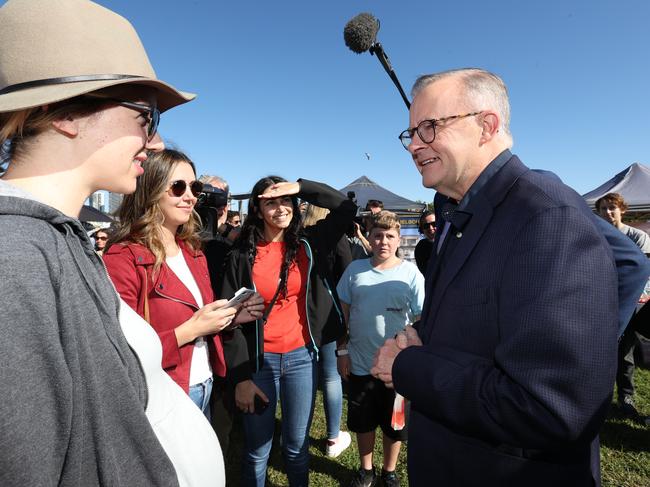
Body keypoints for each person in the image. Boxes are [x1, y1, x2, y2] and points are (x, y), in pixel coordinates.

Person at [0, 0, 225, 485]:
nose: (157, 142)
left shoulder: (56, 241)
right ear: (68, 116)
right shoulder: (14, 257)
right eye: (146, 117)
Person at [372, 68, 619, 486]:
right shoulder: (465, 212)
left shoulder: (545, 216)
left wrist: (411, 366)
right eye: (411, 132)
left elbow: (551, 407)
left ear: (487, 125)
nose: (414, 144)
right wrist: (424, 333)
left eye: (430, 127)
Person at [103, 149, 263, 419]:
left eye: (194, 187)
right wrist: (188, 331)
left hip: (205, 382)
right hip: (163, 391)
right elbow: (117, 351)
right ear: (150, 191)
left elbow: (201, 320)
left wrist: (231, 317)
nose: (190, 196)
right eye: (178, 187)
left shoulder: (193, 251)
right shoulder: (122, 257)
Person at [220, 176, 356, 486]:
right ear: (257, 209)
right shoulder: (242, 254)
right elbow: (228, 320)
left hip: (302, 359)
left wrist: (299, 187)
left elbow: (345, 208)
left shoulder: (311, 241)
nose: (280, 207)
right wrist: (241, 378)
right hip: (258, 363)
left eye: (285, 200)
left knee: (296, 449)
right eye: (271, 201)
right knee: (257, 450)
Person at [336, 211, 424, 487]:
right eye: (378, 235)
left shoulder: (410, 273)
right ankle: (366, 470)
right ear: (369, 239)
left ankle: (389, 470)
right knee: (363, 422)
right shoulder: (355, 270)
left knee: (395, 425)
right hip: (361, 362)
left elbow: (421, 318)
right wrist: (342, 351)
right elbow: (344, 313)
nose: (383, 241)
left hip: (396, 370)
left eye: (389, 236)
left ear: (399, 239)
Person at [302, 203, 353, 458]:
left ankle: (298, 433)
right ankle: (333, 437)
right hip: (330, 312)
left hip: (304, 313)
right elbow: (347, 270)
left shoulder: (299, 236)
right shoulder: (334, 237)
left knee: (308, 376)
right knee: (330, 376)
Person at [596, 192, 650, 420]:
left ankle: (626, 397)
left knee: (627, 350)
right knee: (608, 351)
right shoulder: (597, 236)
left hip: (637, 302)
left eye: (612, 208)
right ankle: (602, 398)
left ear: (622, 210)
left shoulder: (637, 236)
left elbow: (642, 271)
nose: (608, 213)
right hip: (607, 300)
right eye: (603, 209)